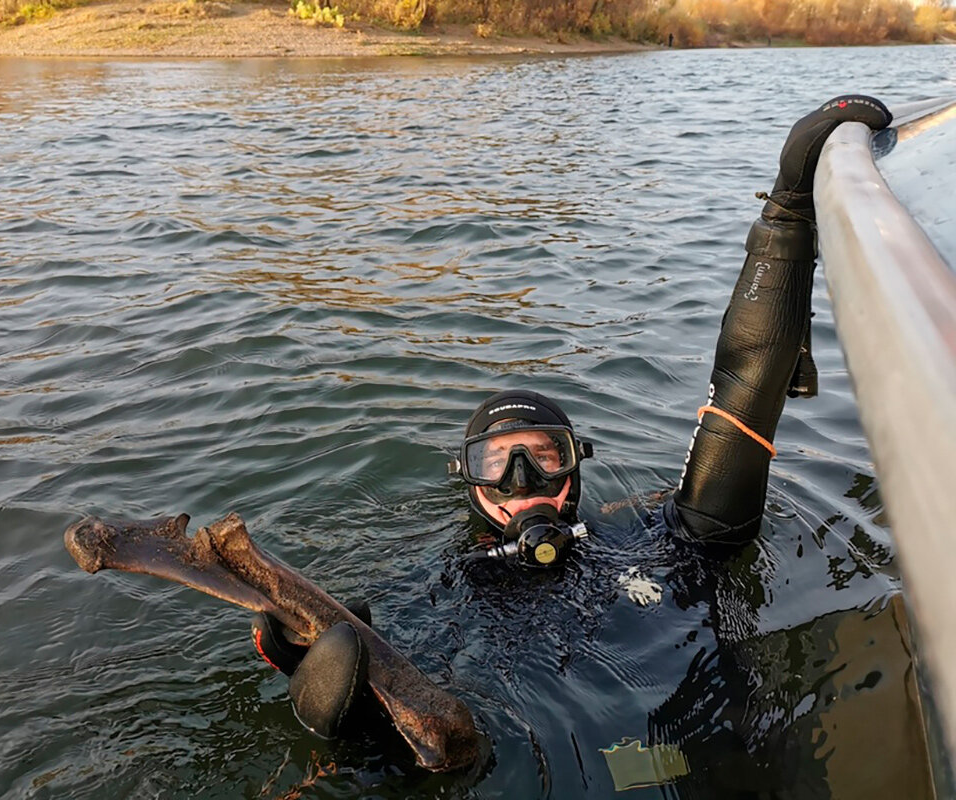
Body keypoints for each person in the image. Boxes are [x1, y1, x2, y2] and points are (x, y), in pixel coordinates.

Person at [249, 95, 894, 741]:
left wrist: (786, 216)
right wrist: (332, 681)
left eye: (544, 456)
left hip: (706, 748)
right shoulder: (439, 591)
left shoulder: (660, 535)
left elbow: (744, 389)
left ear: (577, 463)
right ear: (468, 483)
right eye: (498, 463)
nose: (523, 481)